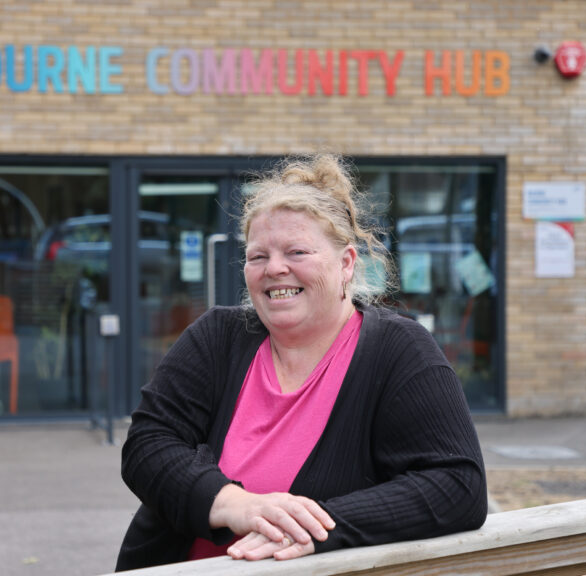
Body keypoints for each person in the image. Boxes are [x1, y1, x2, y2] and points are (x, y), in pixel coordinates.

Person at [116, 154, 487, 570]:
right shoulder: (218, 337)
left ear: (346, 263)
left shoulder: (398, 351)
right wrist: (234, 504)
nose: (275, 268)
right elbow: (147, 446)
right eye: (258, 257)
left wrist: (317, 525)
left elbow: (458, 486)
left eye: (296, 251)